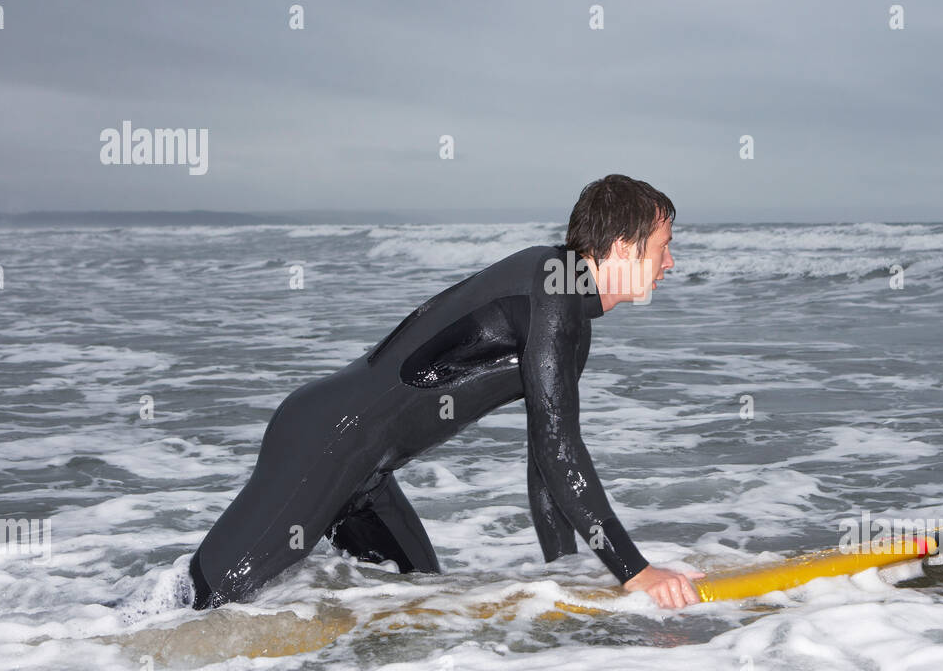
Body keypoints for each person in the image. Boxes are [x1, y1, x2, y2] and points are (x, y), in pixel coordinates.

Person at [188, 175, 703, 611]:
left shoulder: (569, 314)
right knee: (202, 605)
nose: (670, 262)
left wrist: (564, 576)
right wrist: (634, 572)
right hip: (324, 443)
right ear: (621, 247)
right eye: (664, 245)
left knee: (416, 606)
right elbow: (559, 451)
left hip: (364, 473)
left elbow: (547, 463)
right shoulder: (554, 288)